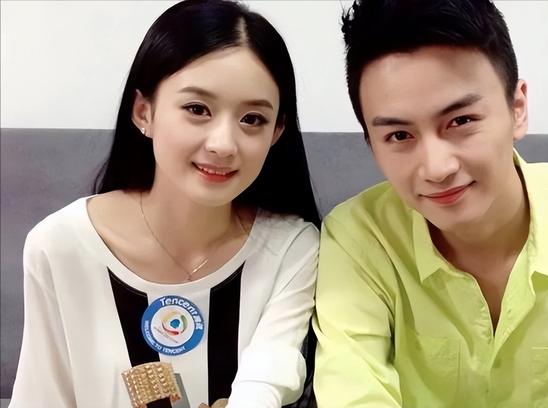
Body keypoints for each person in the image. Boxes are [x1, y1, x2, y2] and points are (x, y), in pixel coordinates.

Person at [313, 0, 548, 406]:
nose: (437, 168)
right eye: (399, 136)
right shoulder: (359, 239)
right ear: (370, 144)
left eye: (461, 121)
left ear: (517, 108)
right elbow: (352, 390)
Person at [10, 1, 320, 407]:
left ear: (276, 132)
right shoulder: (61, 244)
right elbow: (42, 396)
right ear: (144, 112)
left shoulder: (291, 248)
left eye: (252, 119)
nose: (223, 144)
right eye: (197, 109)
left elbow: (270, 375)